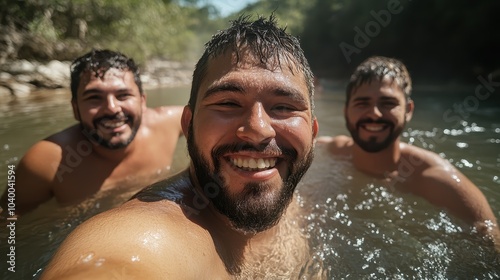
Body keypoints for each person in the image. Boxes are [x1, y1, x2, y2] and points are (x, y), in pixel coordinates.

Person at [41, 15, 319, 279]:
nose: (258, 130)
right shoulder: (150, 236)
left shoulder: (294, 193)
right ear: (188, 125)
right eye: (228, 103)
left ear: (313, 132)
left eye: (284, 107)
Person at [317, 56, 499, 244]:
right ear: (346, 110)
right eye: (362, 103)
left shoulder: (439, 181)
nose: (374, 114)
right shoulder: (330, 150)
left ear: (408, 110)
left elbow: (491, 243)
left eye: (388, 103)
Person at [0, 49, 184, 217]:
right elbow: (7, 220)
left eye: (123, 95)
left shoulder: (171, 122)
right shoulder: (47, 161)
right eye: (94, 98)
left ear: (142, 102)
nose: (112, 109)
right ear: (75, 109)